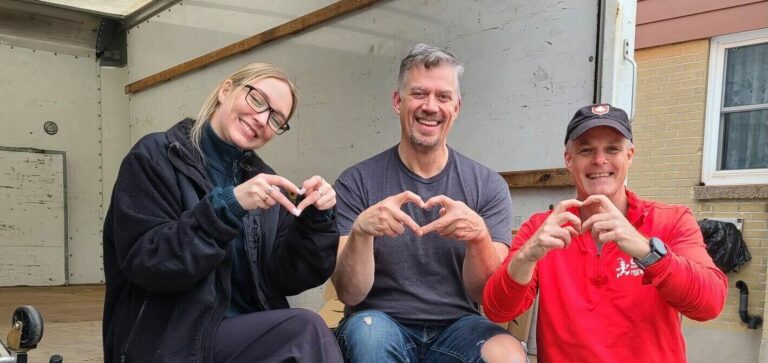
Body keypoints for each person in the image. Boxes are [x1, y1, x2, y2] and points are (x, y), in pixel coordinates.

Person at [102, 63, 343, 362]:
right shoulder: (156, 156)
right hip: (170, 339)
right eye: (257, 100)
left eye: (276, 118)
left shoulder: (263, 181)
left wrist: (316, 221)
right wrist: (227, 208)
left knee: (308, 334)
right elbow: (148, 262)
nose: (261, 119)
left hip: (243, 334)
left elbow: (288, 278)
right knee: (305, 331)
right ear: (225, 90)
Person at [483, 104, 728, 362]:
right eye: (586, 149)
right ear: (569, 159)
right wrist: (526, 257)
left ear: (630, 155)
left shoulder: (672, 220)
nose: (600, 160)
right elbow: (497, 310)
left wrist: (646, 250)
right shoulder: (542, 228)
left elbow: (710, 304)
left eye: (612, 148)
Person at [332, 43, 527, 363]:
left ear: (457, 107)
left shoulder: (488, 185)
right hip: (379, 321)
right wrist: (361, 233)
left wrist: (478, 236)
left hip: (459, 327)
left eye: (443, 96)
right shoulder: (356, 182)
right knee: (368, 336)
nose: (431, 106)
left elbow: (486, 296)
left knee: (509, 353)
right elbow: (350, 293)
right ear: (398, 101)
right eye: (419, 94)